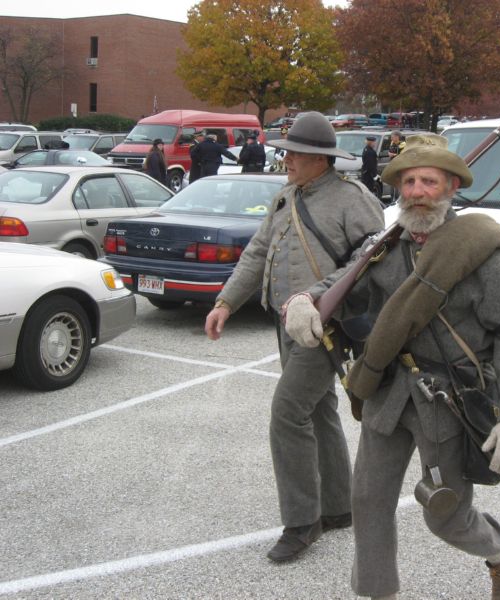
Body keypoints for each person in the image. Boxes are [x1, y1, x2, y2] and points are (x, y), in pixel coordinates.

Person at [283, 133, 500, 599]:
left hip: (448, 398)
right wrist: (305, 298)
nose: (417, 192)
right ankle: (376, 592)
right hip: (388, 388)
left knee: (446, 515)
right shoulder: (388, 246)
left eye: (429, 182)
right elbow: (346, 283)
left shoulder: (482, 253)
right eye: (409, 182)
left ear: (451, 188)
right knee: (368, 501)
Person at [203, 111, 385, 564]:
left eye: (295, 154)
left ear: (320, 159)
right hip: (287, 325)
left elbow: (372, 262)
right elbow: (258, 252)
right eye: (286, 153)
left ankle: (303, 522)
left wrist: (318, 298)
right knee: (318, 409)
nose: (286, 160)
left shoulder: (353, 199)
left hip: (326, 326)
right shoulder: (286, 196)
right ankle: (339, 507)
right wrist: (226, 302)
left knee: (288, 412)